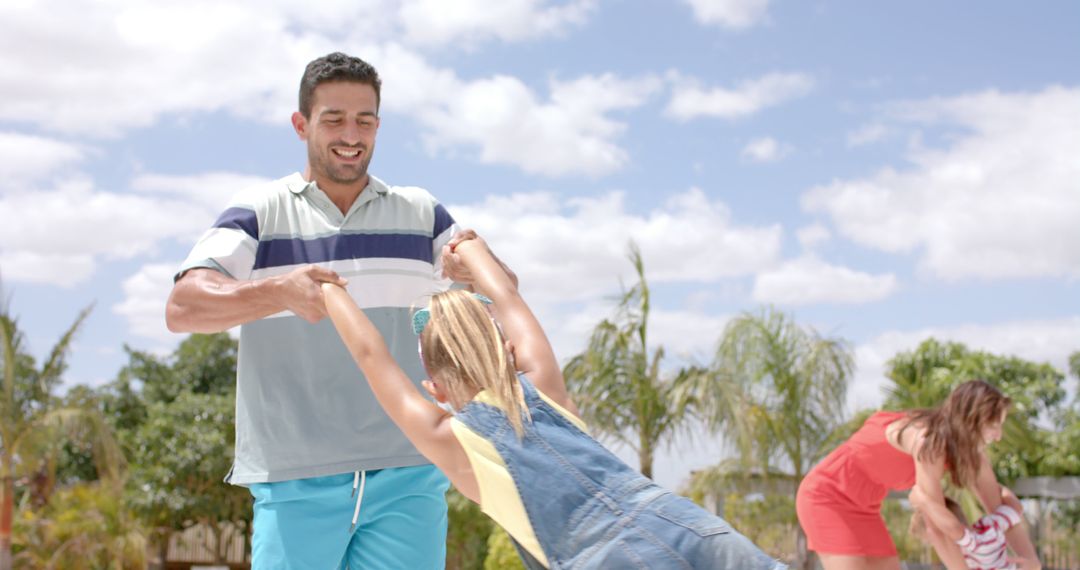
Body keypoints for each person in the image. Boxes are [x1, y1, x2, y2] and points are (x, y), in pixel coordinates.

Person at [165, 52, 505, 569]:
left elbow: (505, 290)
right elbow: (183, 306)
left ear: (378, 126)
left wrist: (474, 269)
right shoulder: (260, 211)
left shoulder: (422, 213)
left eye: (364, 120)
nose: (352, 133)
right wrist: (277, 291)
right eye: (334, 119)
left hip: (410, 472)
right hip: (295, 475)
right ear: (302, 124)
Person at [320, 234, 786, 569]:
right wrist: (467, 250)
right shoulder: (543, 388)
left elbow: (370, 354)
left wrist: (326, 287)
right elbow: (504, 293)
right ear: (507, 352)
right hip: (684, 522)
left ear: (434, 390)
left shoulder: (448, 439)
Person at [795, 380, 1041, 570]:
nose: (998, 436)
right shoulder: (927, 441)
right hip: (825, 497)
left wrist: (1032, 561)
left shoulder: (972, 454)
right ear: (970, 421)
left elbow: (1001, 511)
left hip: (865, 507)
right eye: (993, 425)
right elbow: (935, 522)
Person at [909, 489, 1028, 570]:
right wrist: (998, 487)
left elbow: (953, 529)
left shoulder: (973, 544)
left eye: (934, 543)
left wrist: (922, 500)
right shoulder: (990, 526)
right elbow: (1017, 508)